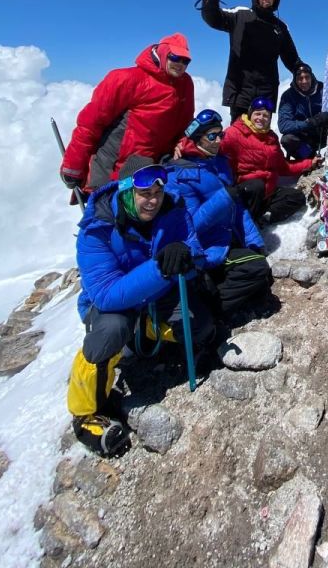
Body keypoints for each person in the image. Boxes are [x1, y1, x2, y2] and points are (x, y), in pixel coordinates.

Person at [67, 156, 217, 457]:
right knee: (111, 330)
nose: (153, 201)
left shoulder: (173, 210)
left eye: (157, 193)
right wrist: (159, 268)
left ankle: (147, 333)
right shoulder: (96, 229)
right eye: (144, 194)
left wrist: (184, 256)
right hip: (114, 306)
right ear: (125, 191)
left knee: (202, 327)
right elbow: (106, 295)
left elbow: (196, 256)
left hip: (157, 296)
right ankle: (84, 415)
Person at [168, 109, 274, 318]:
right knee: (257, 269)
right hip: (208, 248)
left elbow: (238, 209)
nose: (218, 140)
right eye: (212, 136)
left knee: (263, 277)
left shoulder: (219, 163)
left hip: (227, 236)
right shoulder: (180, 175)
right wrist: (224, 198)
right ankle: (211, 313)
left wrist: (254, 241)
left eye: (220, 134)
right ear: (198, 138)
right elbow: (191, 226)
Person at [60, 34, 195, 192]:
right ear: (163, 53)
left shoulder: (185, 84)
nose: (180, 64)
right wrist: (73, 167)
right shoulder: (125, 79)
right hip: (112, 172)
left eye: (185, 61)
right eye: (175, 57)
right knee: (108, 213)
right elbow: (90, 124)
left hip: (151, 173)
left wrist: (182, 143)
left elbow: (185, 125)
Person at [197, 0, 300, 120]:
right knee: (238, 136)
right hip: (241, 90)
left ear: (275, 0)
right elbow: (213, 18)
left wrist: (306, 75)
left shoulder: (280, 27)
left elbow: (292, 59)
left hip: (267, 91)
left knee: (261, 137)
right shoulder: (240, 15)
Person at [220, 97, 321, 223]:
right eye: (257, 114)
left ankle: (265, 217)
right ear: (250, 114)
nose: (261, 118)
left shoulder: (271, 137)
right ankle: (245, 223)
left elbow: (283, 167)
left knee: (296, 197)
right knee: (256, 185)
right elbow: (216, 156)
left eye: (266, 115)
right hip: (247, 192)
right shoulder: (233, 133)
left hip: (267, 193)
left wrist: (310, 163)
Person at [278, 61, 328, 159]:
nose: (304, 81)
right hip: (306, 137)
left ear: (312, 76)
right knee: (288, 140)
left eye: (307, 77)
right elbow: (283, 125)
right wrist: (311, 122)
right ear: (295, 80)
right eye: (300, 78)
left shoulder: (325, 90)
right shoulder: (288, 96)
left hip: (326, 133)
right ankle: (308, 156)